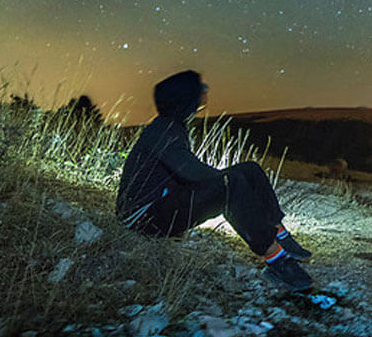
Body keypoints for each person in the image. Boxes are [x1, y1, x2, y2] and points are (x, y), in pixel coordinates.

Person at [116, 70, 313, 291]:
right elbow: (191, 172)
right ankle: (275, 258)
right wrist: (231, 185)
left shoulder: (171, 125)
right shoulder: (164, 130)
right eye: (200, 88)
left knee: (250, 170)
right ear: (186, 96)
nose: (206, 91)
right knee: (232, 184)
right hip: (144, 218)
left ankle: (279, 231)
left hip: (160, 206)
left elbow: (188, 173)